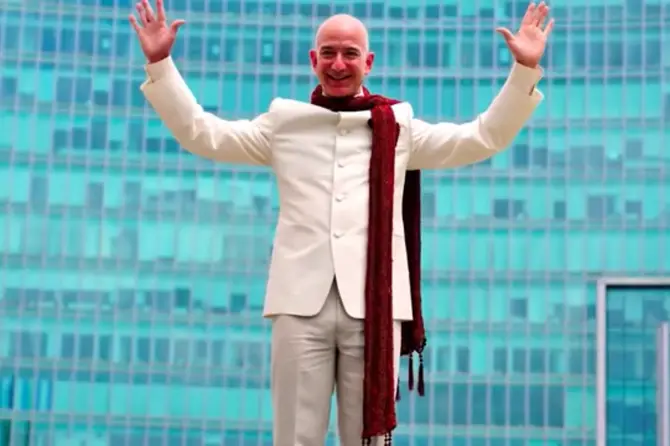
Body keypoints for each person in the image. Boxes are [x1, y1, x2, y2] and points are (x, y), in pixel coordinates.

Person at [129, 1, 553, 445]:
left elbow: (482, 137)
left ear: (368, 63)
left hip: (374, 305)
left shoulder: (398, 126)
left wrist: (524, 70)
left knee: (369, 440)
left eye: (350, 53)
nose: (338, 63)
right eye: (328, 53)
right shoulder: (284, 123)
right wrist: (160, 64)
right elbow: (202, 133)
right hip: (299, 303)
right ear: (313, 60)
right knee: (294, 437)